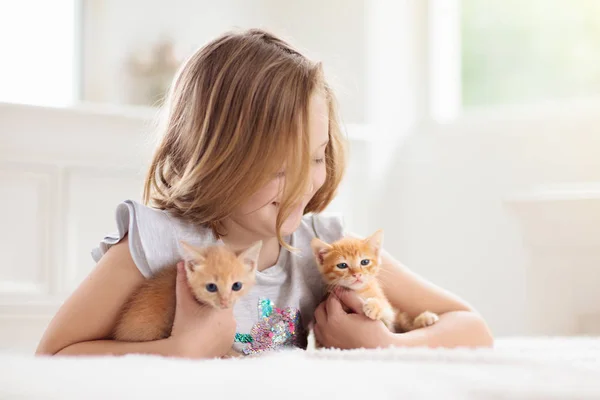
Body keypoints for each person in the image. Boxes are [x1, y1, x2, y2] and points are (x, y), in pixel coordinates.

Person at [35, 28, 493, 358]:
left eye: (315, 158)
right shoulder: (156, 241)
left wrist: (388, 343)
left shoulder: (319, 247)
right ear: (215, 157)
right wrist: (179, 349)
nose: (304, 183)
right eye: (278, 168)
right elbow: (54, 355)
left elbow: (472, 327)